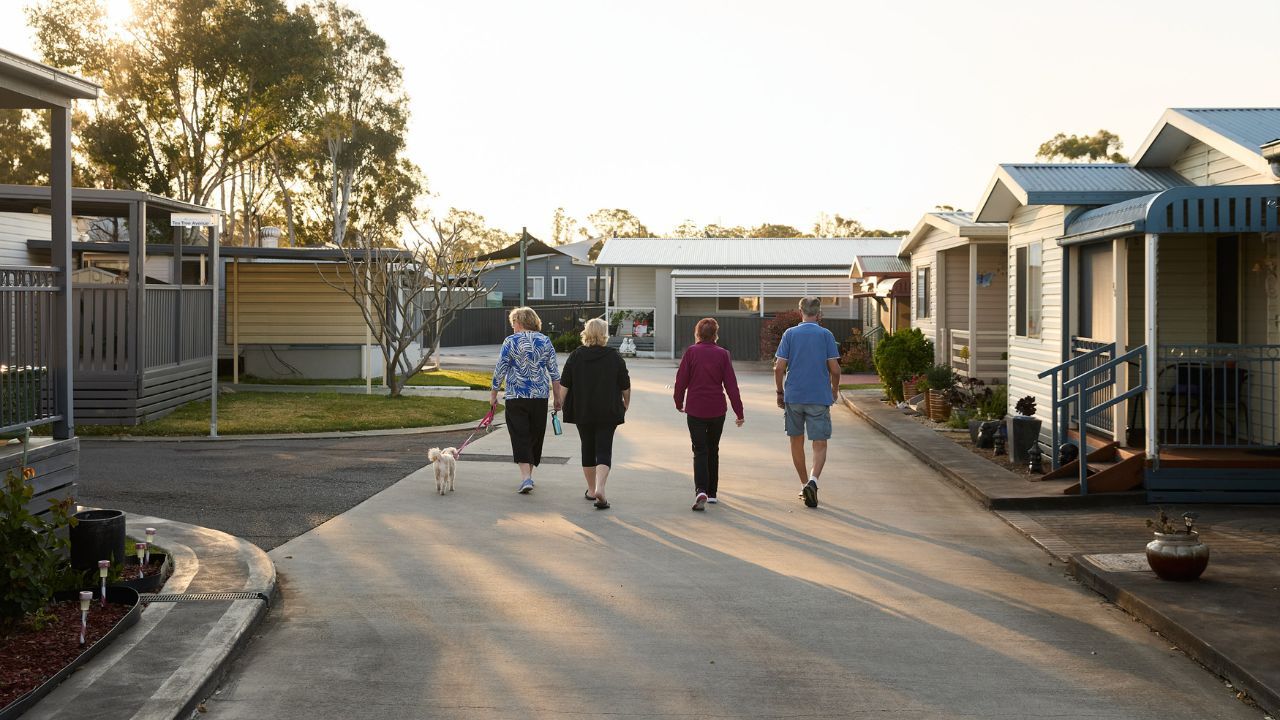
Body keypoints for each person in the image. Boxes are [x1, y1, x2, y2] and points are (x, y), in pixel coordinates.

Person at [774, 297, 841, 508]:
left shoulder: (790, 334)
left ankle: (804, 484)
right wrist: (834, 390)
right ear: (819, 313)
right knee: (819, 443)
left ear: (800, 311)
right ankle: (813, 481)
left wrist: (779, 391)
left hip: (794, 396)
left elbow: (779, 368)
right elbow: (835, 369)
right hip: (819, 397)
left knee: (796, 441)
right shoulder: (826, 335)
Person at [558, 318, 630, 509]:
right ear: (604, 334)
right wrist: (626, 403)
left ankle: (591, 490)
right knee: (604, 449)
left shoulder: (576, 356)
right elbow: (625, 384)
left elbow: (564, 383)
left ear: (586, 333)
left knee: (587, 447)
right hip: (608, 410)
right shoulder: (614, 357)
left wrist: (559, 403)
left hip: (583, 410)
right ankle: (601, 487)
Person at [673, 318, 744, 511]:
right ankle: (712, 493)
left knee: (700, 450)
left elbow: (681, 381)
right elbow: (731, 386)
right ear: (715, 335)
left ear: (697, 334)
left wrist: (678, 402)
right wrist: (739, 412)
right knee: (713, 449)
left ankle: (701, 490)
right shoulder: (723, 355)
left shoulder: (691, 352)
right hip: (716, 410)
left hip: (695, 409)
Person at [491, 307, 562, 494]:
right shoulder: (545, 341)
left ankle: (526, 478)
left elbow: (500, 370)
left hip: (516, 396)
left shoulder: (510, 341)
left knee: (520, 435)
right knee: (534, 436)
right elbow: (554, 373)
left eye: (513, 323)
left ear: (519, 322)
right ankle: (527, 477)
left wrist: (493, 395)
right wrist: (557, 397)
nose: (512, 327)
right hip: (539, 397)